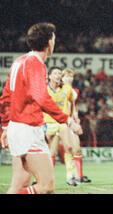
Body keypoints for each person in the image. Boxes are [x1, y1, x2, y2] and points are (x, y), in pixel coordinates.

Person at [0, 22, 81, 194]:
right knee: (45, 186)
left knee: (19, 185)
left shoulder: (19, 62)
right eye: (54, 38)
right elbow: (42, 98)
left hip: (16, 128)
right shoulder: (35, 64)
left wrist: (5, 127)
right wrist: (66, 119)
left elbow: (5, 98)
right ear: (49, 42)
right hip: (28, 129)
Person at [44, 67, 78, 186]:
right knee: (47, 152)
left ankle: (70, 177)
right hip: (48, 123)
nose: (58, 75)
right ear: (49, 76)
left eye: (59, 73)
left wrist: (72, 118)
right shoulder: (45, 90)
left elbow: (72, 104)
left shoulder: (67, 89)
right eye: (55, 73)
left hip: (62, 122)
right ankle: (41, 177)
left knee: (68, 147)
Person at [61, 68, 91, 183]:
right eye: (67, 76)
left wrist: (76, 119)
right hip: (60, 121)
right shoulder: (60, 90)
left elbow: (74, 106)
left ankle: (79, 176)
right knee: (51, 150)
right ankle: (40, 178)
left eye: (71, 76)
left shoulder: (75, 91)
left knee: (76, 148)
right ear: (62, 78)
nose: (69, 79)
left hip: (71, 122)